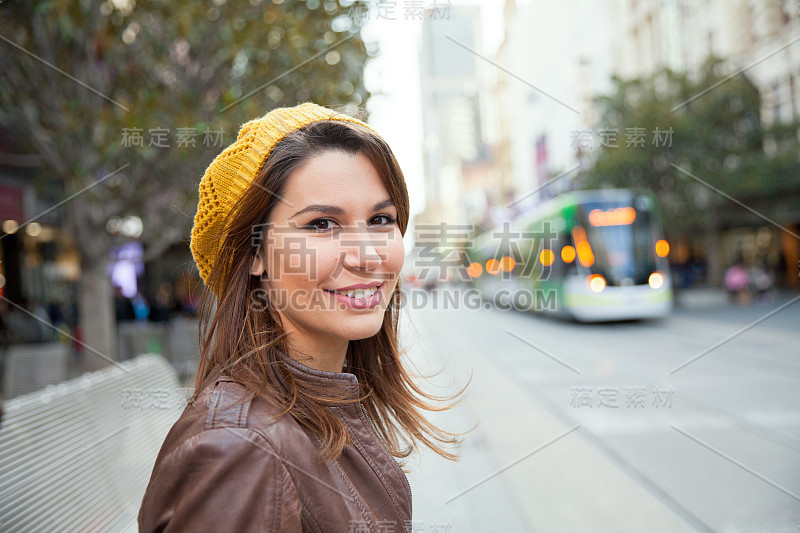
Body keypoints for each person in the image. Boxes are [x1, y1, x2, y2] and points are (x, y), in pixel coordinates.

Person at [138, 103, 467, 532]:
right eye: (322, 224)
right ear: (254, 252)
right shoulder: (240, 448)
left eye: (381, 220)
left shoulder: (319, 405)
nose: (367, 255)